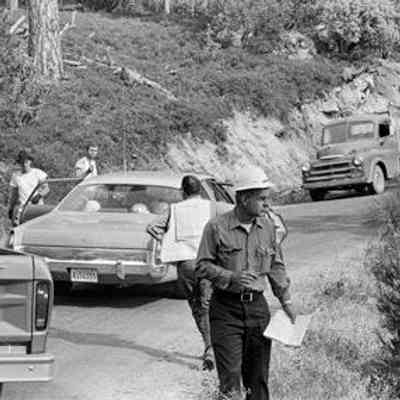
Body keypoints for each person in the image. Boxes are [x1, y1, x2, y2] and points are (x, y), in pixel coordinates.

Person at [196, 166, 296, 400]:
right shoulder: (216, 227)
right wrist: (231, 276)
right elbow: (202, 266)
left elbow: (276, 265)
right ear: (243, 199)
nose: (267, 204)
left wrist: (287, 302)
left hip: (257, 310)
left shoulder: (268, 227)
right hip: (225, 311)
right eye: (262, 198)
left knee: (257, 379)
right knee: (230, 381)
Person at [146, 175, 215, 371]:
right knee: (209, 304)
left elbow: (152, 227)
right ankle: (214, 347)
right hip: (209, 263)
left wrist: (167, 241)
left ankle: (208, 345)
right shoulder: (211, 207)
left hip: (186, 264)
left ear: (183, 192)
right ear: (200, 190)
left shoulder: (174, 209)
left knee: (196, 305)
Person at [7, 150, 49, 226]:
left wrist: (39, 196)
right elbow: (14, 195)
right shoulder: (16, 176)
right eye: (22, 162)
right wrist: (11, 208)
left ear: (30, 162)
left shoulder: (38, 173)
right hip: (24, 208)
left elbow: (46, 189)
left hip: (37, 207)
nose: (24, 164)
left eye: (26, 162)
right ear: (19, 163)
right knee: (19, 227)